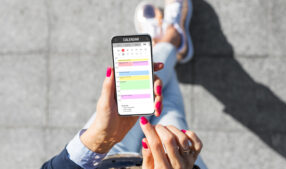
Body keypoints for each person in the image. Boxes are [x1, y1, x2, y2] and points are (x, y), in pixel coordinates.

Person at [41, 0, 207, 168]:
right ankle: (172, 40)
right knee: (172, 124)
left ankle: (169, 44)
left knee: (160, 98)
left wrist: (99, 137)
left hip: (104, 159)